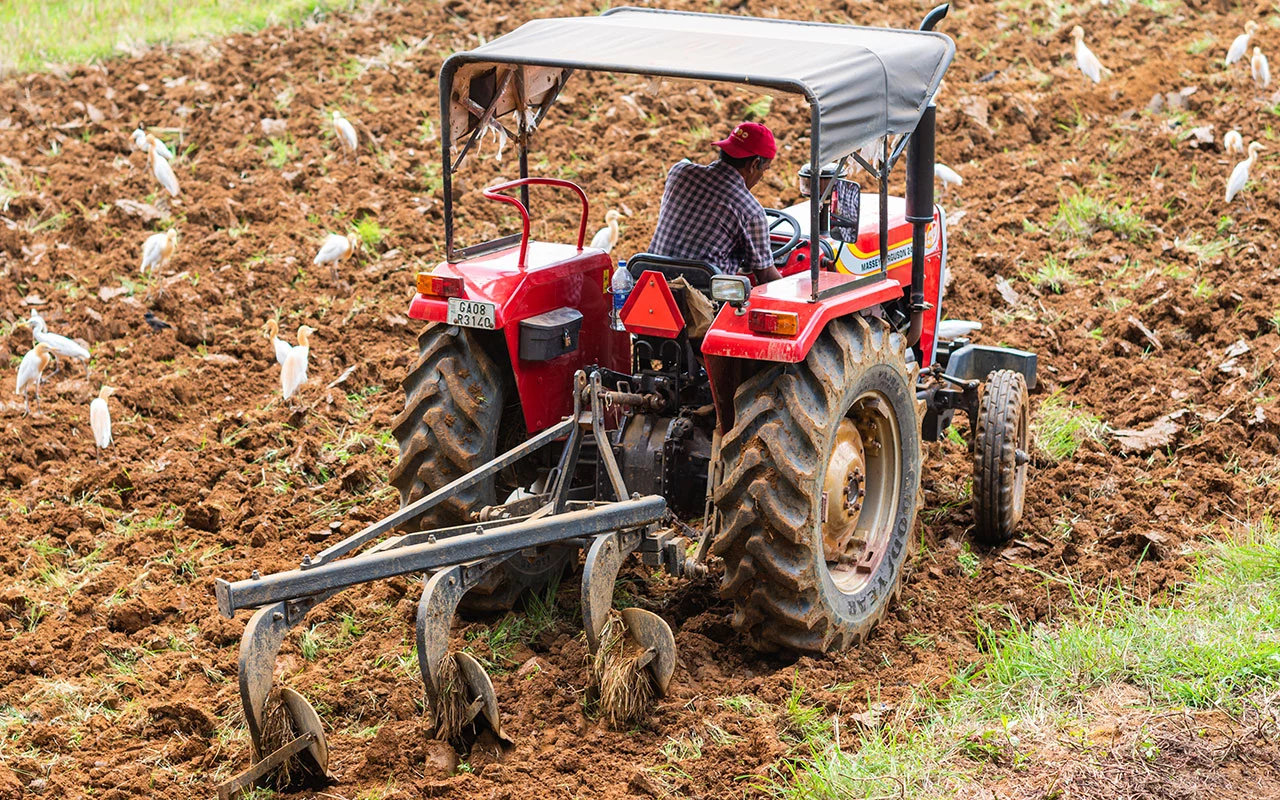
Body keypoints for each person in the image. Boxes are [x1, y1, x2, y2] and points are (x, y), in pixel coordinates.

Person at [648, 121, 783, 283]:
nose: (761, 178)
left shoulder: (679, 173)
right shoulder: (750, 211)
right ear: (754, 165)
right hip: (700, 301)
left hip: (652, 284)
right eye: (764, 169)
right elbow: (766, 276)